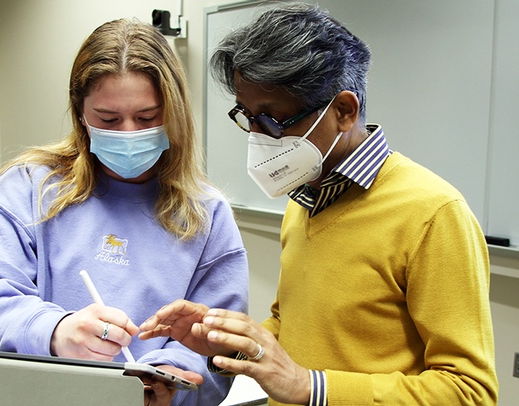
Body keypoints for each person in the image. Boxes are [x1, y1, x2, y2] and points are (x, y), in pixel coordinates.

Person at [139, 3, 499, 405]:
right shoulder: (304, 199)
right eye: (248, 115)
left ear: (344, 111)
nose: (257, 136)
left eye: (273, 119)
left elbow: (471, 391)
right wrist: (224, 344)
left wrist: (311, 388)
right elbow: (290, 326)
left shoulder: (433, 214)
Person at [0, 18, 249, 406]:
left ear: (174, 112)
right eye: (108, 119)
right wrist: (55, 331)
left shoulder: (206, 214)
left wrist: (169, 379)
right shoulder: (27, 190)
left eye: (146, 118)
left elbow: (214, 342)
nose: (127, 134)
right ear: (81, 113)